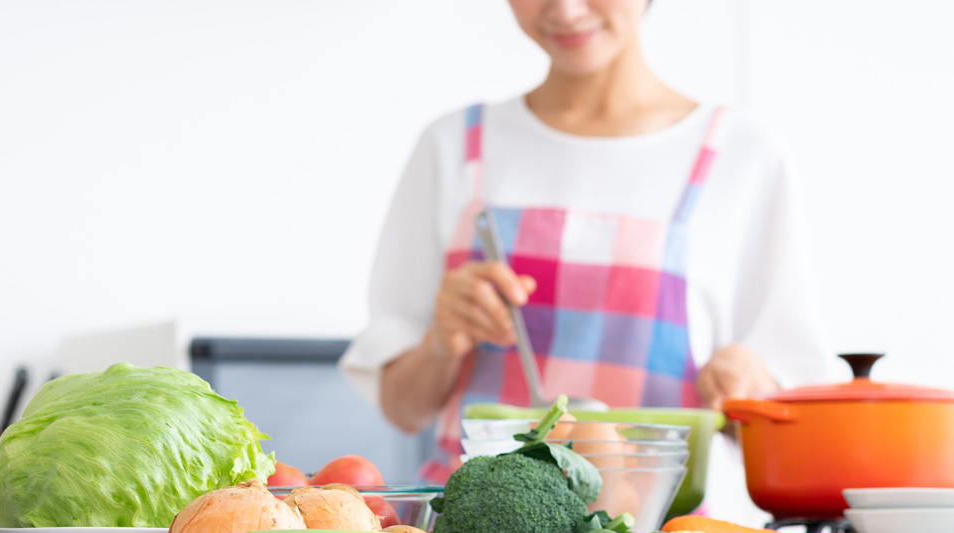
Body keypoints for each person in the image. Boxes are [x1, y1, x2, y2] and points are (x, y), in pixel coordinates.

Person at [339, 0, 835, 495]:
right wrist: (441, 346)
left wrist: (747, 382)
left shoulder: (742, 156)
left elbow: (793, 423)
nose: (566, 10)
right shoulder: (453, 146)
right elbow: (404, 410)